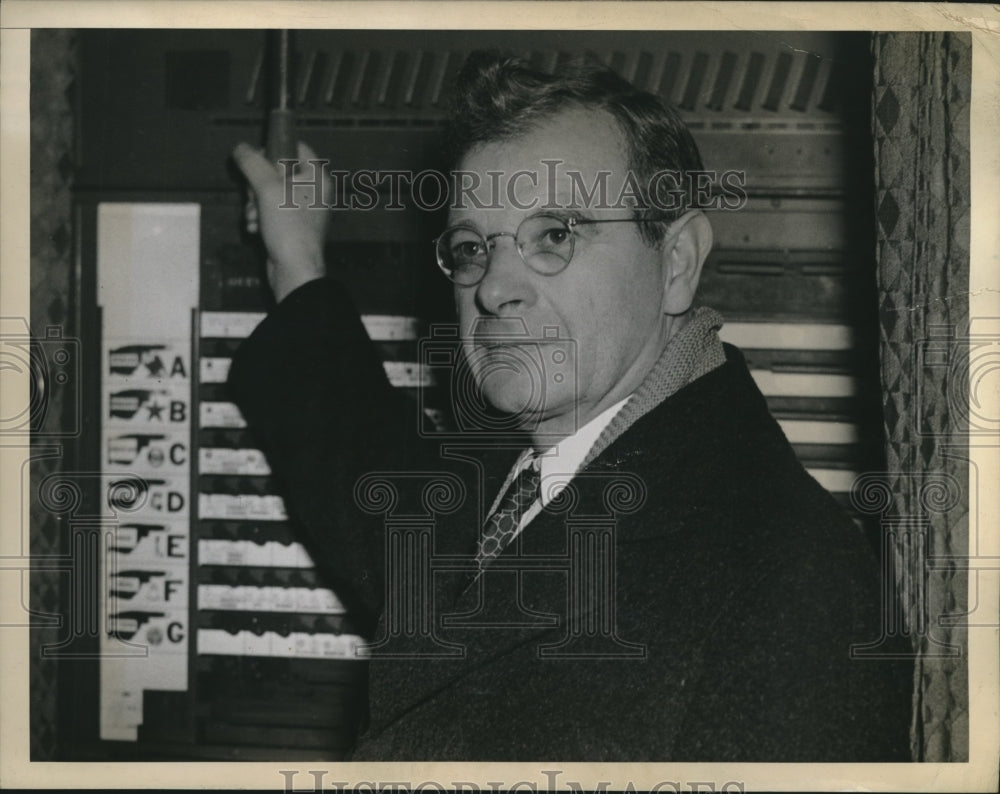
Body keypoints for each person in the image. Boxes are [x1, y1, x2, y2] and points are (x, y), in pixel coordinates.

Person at [229, 51, 912, 761]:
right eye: (471, 248)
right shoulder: (517, 477)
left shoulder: (791, 580)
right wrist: (297, 264)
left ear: (675, 262)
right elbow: (361, 466)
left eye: (554, 235)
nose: (494, 288)